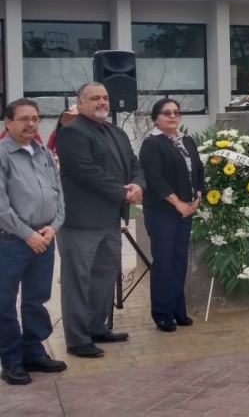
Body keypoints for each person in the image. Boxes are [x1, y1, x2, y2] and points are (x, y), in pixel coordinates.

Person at [56, 82, 145, 358]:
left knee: (105, 277)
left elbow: (134, 164)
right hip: (80, 222)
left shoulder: (116, 132)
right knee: (78, 281)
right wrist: (122, 192)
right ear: (80, 103)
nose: (102, 102)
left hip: (109, 220)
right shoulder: (71, 133)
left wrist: (138, 186)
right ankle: (77, 339)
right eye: (95, 98)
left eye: (105, 97)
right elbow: (86, 172)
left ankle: (97, 327)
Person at [0, 99, 66, 386]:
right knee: (4, 303)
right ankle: (12, 361)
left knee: (36, 300)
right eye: (24, 119)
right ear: (7, 122)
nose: (31, 124)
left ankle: (34, 351)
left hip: (45, 238)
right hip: (12, 242)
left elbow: (59, 195)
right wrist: (28, 235)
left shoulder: (43, 152)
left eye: (35, 118)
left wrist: (52, 228)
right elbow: (1, 207)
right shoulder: (2, 154)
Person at [138, 99, 203, 332]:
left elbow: (198, 170)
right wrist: (177, 203)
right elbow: (154, 179)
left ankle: (178, 310)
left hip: (186, 210)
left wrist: (197, 196)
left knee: (179, 260)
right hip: (162, 211)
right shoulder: (151, 144)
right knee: (164, 262)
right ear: (156, 118)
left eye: (176, 113)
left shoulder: (186, 140)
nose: (172, 117)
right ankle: (163, 314)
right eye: (166, 113)